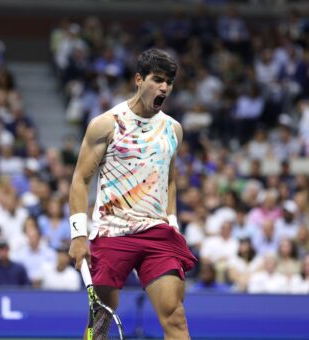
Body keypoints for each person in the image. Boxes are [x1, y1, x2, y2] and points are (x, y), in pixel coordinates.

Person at [68, 48, 197, 340]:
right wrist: (78, 236)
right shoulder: (106, 124)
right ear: (139, 79)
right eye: (158, 79)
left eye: (170, 82)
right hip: (112, 232)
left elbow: (170, 182)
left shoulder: (173, 129)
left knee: (176, 318)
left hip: (156, 233)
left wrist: (172, 223)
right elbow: (79, 180)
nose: (164, 87)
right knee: (100, 322)